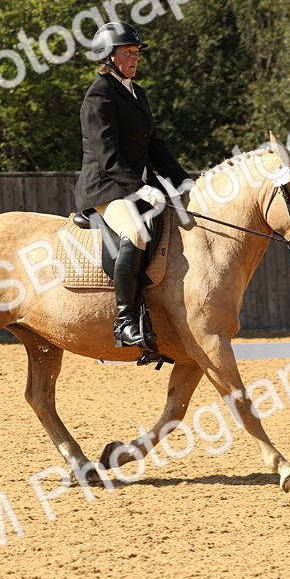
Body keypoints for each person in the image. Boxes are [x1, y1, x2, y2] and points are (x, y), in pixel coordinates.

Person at [74, 21, 193, 352]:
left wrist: (183, 182)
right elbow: (107, 154)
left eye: (136, 51)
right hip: (106, 187)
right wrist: (138, 189)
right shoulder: (98, 95)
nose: (135, 57)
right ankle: (126, 323)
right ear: (108, 56)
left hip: (137, 183)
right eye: (128, 51)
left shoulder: (135, 91)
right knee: (137, 234)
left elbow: (154, 145)